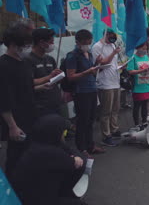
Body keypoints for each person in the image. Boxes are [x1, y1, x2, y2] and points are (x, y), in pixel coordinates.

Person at [10, 114, 87, 205]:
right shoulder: (51, 153)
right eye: (63, 132)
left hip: (27, 195)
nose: (64, 134)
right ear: (54, 133)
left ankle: (64, 194)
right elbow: (80, 162)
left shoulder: (35, 146)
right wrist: (73, 156)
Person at [0, 22, 37, 177]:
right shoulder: (4, 65)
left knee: (28, 157)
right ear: (14, 45)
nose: (29, 48)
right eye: (26, 45)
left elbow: (25, 88)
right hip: (16, 121)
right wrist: (12, 126)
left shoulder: (24, 63)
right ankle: (12, 194)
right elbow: (3, 99)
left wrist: (43, 87)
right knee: (15, 158)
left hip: (30, 117)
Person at [65, 29, 105, 157]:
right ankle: (81, 149)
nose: (88, 45)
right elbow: (70, 76)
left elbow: (92, 72)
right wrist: (87, 72)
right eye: (85, 43)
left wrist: (97, 64)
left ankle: (90, 145)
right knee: (82, 121)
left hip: (92, 89)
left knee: (91, 120)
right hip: (81, 92)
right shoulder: (72, 56)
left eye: (89, 42)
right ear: (78, 42)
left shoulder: (89, 54)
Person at [91, 29, 122, 147]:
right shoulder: (97, 47)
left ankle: (114, 129)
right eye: (111, 35)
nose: (113, 38)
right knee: (106, 111)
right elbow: (101, 64)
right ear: (106, 35)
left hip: (115, 81)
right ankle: (106, 135)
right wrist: (114, 53)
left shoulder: (113, 45)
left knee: (115, 108)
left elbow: (113, 63)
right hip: (105, 83)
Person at [25, 28, 64, 117]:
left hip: (56, 103)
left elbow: (54, 79)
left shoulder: (50, 59)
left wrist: (59, 77)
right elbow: (28, 83)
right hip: (41, 107)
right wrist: (48, 77)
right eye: (51, 42)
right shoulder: (28, 60)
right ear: (42, 43)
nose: (52, 45)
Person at [127, 42, 149, 125]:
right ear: (137, 48)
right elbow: (130, 71)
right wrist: (141, 71)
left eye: (146, 49)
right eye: (143, 49)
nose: (144, 51)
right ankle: (137, 124)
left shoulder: (146, 57)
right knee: (137, 106)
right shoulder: (133, 58)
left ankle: (144, 122)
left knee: (145, 105)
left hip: (147, 84)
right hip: (137, 86)